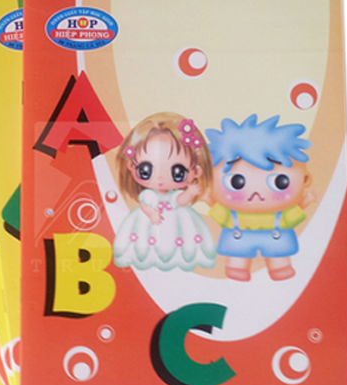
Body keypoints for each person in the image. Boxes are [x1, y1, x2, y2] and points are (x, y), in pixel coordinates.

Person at [205, 114, 314, 281]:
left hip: (276, 239)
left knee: (278, 255)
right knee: (237, 255)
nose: (256, 193)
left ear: (306, 180)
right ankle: (236, 267)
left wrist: (306, 200)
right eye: (236, 182)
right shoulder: (233, 214)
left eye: (280, 182)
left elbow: (292, 216)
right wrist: (208, 198)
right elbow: (220, 213)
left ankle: (280, 267)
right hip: (239, 239)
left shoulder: (280, 214)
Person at [113, 112, 216, 272]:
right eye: (146, 170)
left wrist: (190, 193)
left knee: (181, 242)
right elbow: (144, 205)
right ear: (131, 166)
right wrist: (152, 214)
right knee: (144, 243)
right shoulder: (148, 195)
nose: (160, 178)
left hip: (177, 222)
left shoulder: (174, 196)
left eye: (178, 172)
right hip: (150, 222)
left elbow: (180, 201)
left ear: (196, 171)